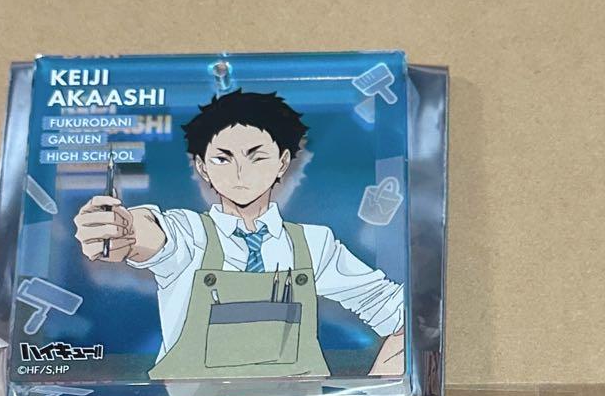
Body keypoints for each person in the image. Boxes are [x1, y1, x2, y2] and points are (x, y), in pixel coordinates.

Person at [71, 89, 405, 379]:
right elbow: (151, 233)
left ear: (283, 162)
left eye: (257, 156)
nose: (240, 172)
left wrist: (378, 393)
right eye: (223, 158)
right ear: (201, 166)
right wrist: (121, 230)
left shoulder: (315, 245)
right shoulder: (188, 235)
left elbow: (398, 312)